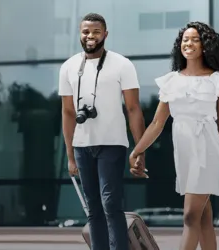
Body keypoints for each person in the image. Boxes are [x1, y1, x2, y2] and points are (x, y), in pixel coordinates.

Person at [128, 21, 219, 250]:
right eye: (185, 40)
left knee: (190, 216)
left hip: (207, 149)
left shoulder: (218, 80)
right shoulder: (172, 80)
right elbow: (157, 123)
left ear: (205, 45)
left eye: (195, 39)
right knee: (203, 217)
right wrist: (137, 150)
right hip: (183, 150)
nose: (188, 43)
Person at [58, 13, 147, 250]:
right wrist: (69, 155)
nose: (90, 36)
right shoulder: (68, 67)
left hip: (112, 143)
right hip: (81, 145)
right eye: (86, 32)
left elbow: (133, 108)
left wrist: (140, 150)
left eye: (96, 32)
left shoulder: (122, 64)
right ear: (80, 34)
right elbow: (68, 112)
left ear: (105, 34)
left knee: (110, 204)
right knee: (93, 208)